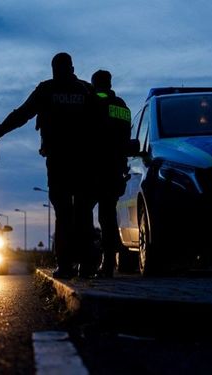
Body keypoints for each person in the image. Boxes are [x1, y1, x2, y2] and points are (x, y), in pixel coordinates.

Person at [0, 52, 99, 279]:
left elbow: (20, 115)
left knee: (63, 213)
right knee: (83, 213)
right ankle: (87, 265)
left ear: (55, 69)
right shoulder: (86, 90)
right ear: (72, 68)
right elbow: (101, 125)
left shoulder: (47, 90)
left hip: (59, 160)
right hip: (85, 162)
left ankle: (65, 266)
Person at [90, 69, 131, 278]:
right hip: (113, 168)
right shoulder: (121, 106)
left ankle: (88, 261)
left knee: (83, 214)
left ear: (94, 83)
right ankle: (107, 263)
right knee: (108, 217)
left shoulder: (88, 104)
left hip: (90, 169)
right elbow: (125, 137)